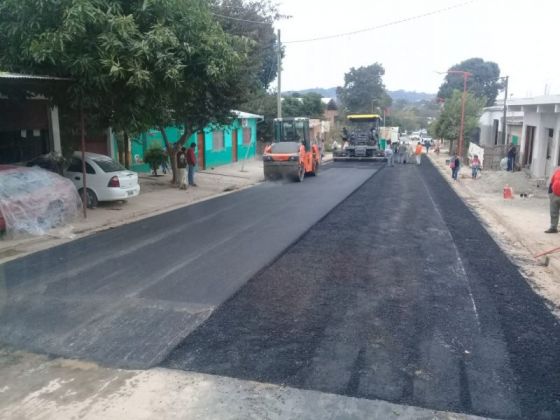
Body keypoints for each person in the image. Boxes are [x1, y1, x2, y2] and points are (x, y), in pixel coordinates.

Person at [545, 167, 560, 233]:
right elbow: (552, 182)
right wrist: (550, 193)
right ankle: (553, 227)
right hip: (554, 195)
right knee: (553, 212)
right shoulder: (557, 171)